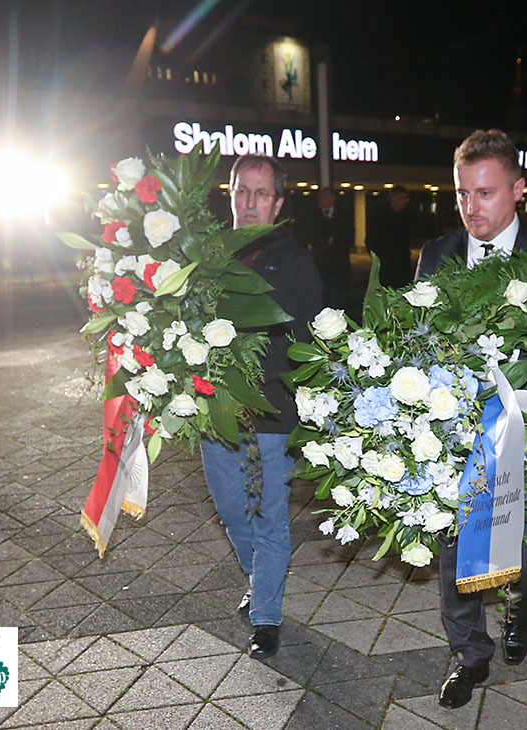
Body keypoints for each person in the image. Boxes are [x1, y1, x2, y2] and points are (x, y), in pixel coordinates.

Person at [416, 129, 527, 710]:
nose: (471, 208)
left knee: (526, 552)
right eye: (462, 194)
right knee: (455, 550)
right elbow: (417, 343)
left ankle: (519, 611)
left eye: (485, 193)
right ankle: (469, 654)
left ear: (518, 190)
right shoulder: (435, 256)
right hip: (453, 432)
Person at [200, 155, 321, 659]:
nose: (249, 202)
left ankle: (266, 615)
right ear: (230, 195)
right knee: (231, 511)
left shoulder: (294, 263)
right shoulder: (204, 258)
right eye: (241, 192)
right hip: (213, 414)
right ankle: (259, 575)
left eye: (260, 193)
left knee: (268, 516)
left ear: (277, 202)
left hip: (271, 415)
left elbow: (304, 341)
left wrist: (249, 381)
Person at [302, 187, 354, 310]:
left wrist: (336, 241)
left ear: (332, 199)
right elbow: (306, 235)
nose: (322, 200)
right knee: (323, 293)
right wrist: (322, 242)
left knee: (341, 294)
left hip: (340, 262)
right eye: (321, 197)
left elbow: (349, 235)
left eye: (325, 197)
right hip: (321, 262)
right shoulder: (312, 216)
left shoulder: (343, 215)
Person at [367, 185, 412, 287]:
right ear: (393, 199)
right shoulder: (379, 217)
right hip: (385, 264)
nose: (404, 201)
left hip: (401, 264)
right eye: (401, 198)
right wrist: (377, 258)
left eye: (406, 199)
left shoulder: (405, 217)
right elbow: (371, 240)